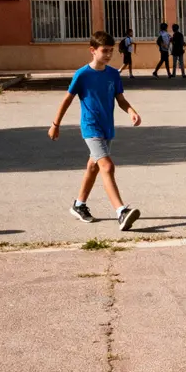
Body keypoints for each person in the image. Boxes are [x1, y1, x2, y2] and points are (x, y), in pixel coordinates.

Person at [48, 31, 142, 231]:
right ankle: (121, 211)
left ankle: (79, 205)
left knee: (93, 166)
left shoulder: (113, 74)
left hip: (107, 127)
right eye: (104, 51)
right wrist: (55, 124)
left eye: (110, 51)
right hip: (91, 127)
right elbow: (67, 99)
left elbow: (120, 99)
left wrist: (131, 111)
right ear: (93, 51)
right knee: (107, 166)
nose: (108, 55)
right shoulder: (82, 74)